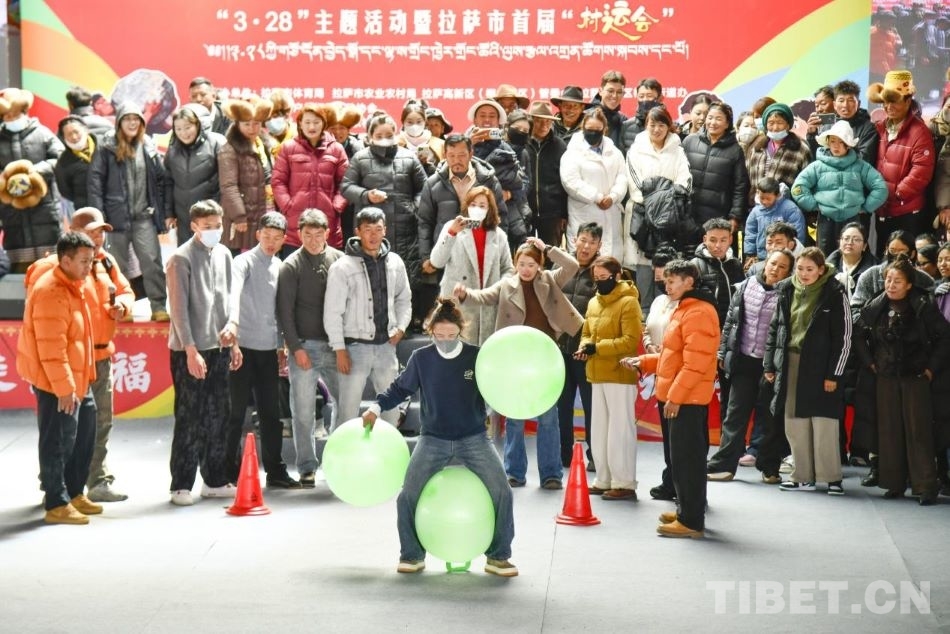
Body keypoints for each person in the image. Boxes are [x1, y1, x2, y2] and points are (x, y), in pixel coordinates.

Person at [362, 298, 517, 577]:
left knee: (502, 492)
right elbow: (400, 389)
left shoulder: (476, 356)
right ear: (431, 331)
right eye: (439, 335)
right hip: (433, 439)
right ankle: (411, 555)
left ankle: (498, 557)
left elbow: (498, 385)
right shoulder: (421, 358)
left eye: (451, 335)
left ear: (461, 331)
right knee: (407, 495)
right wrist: (376, 407)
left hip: (473, 438)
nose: (445, 341)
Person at [454, 237, 583, 489]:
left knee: (548, 417)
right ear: (516, 264)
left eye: (531, 264)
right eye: (522, 264)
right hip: (513, 359)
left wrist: (547, 248)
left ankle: (551, 474)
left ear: (539, 265)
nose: (526, 269)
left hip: (544, 358)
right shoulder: (506, 285)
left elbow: (572, 265)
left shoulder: (549, 280)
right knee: (514, 416)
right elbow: (484, 297)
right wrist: (465, 294)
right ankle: (514, 472)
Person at [26, 208, 135, 502]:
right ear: (73, 235)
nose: (98, 238)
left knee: (97, 424)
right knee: (62, 429)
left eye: (101, 233)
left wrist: (122, 306)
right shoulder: (56, 270)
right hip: (67, 363)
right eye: (92, 232)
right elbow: (47, 330)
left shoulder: (105, 262)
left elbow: (126, 291)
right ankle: (56, 488)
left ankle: (94, 481)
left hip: (99, 358)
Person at [623, 259, 719, 538]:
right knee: (680, 460)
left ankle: (691, 521)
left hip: (686, 401)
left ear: (689, 281)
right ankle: (687, 511)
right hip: (680, 397)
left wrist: (675, 398)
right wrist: (644, 361)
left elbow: (695, 365)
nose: (667, 286)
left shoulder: (698, 312)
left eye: (672, 281)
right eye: (665, 281)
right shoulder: (684, 309)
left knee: (687, 461)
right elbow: (672, 356)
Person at [17, 232, 100, 524]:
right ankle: (56, 502)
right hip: (56, 381)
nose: (90, 267)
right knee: (57, 441)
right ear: (65, 260)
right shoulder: (51, 291)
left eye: (92, 260)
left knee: (85, 432)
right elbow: (51, 349)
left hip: (79, 377)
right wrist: (64, 389)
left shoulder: (75, 283)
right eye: (84, 261)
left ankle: (75, 492)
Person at [853, 256, 949, 505]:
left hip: (916, 376)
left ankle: (925, 486)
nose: (891, 285)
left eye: (897, 281)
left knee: (919, 432)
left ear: (909, 284)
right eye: (888, 279)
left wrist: (931, 369)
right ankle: (893, 483)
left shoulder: (923, 305)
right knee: (889, 431)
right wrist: (869, 362)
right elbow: (857, 334)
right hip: (885, 376)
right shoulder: (876, 304)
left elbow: (944, 338)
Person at [165, 200, 242, 506]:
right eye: (207, 226)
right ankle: (181, 484)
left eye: (218, 226)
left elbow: (229, 299)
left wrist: (233, 338)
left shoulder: (224, 254)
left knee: (219, 415)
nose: (214, 231)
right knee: (190, 417)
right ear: (194, 226)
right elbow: (179, 311)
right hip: (190, 350)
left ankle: (215, 479)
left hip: (219, 346)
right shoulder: (180, 259)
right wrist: (190, 350)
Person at [220, 212, 299, 488]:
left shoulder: (280, 266)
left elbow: (280, 311)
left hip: (268, 350)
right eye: (266, 236)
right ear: (257, 235)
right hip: (241, 349)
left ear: (284, 240)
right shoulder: (242, 262)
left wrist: (280, 345)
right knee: (235, 413)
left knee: (271, 414)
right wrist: (233, 338)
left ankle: (275, 471)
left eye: (277, 238)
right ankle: (227, 472)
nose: (271, 242)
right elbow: (232, 297)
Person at [764, 248, 851, 495]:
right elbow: (775, 329)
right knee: (793, 420)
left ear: (821, 270)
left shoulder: (835, 292)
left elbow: (844, 338)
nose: (803, 274)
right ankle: (801, 475)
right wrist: (769, 364)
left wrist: (834, 374)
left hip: (822, 365)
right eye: (800, 268)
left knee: (824, 421)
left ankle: (831, 477)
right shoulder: (786, 289)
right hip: (790, 361)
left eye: (810, 269)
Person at [707, 249, 794, 483]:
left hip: (772, 366)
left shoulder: (789, 293)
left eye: (782, 267)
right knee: (735, 415)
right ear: (765, 264)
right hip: (744, 360)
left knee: (769, 418)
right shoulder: (746, 286)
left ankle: (769, 467)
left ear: (789, 272)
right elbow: (731, 321)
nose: (775, 269)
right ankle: (724, 465)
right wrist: (723, 352)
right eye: (773, 263)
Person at [324, 207, 412, 426]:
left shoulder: (395, 262)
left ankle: (391, 449)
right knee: (347, 412)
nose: (373, 235)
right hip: (354, 348)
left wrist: (401, 327)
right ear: (358, 231)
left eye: (378, 229)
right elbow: (332, 312)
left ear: (385, 231)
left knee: (391, 411)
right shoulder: (342, 266)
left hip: (386, 347)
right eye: (367, 229)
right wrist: (339, 349)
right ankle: (342, 450)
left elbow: (404, 299)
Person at [342, 113, 428, 330]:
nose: (384, 139)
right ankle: (371, 326)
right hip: (371, 230)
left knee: (403, 279)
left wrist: (414, 208)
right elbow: (346, 187)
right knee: (370, 279)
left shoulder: (409, 157)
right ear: (370, 136)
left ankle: (404, 326)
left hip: (405, 230)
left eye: (389, 135)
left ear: (396, 134)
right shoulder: (360, 158)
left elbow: (423, 188)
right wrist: (366, 195)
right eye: (379, 135)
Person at [276, 209, 343, 488]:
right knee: (303, 411)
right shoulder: (290, 265)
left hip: (336, 346)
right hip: (304, 346)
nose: (313, 240)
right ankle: (306, 467)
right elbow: (284, 312)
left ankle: (338, 463)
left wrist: (343, 346)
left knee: (345, 405)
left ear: (327, 233)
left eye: (318, 234)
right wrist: (295, 348)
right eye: (307, 235)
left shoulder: (339, 260)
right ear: (299, 234)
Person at [87, 102, 167, 320]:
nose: (132, 123)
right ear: (119, 123)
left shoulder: (148, 145)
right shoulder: (106, 146)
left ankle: (159, 307)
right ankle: (122, 308)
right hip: (115, 219)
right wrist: (99, 218)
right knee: (116, 267)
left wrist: (160, 212)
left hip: (144, 218)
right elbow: (95, 183)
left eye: (136, 119)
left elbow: (160, 180)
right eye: (127, 119)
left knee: (152, 263)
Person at [577, 256, 642, 499]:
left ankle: (624, 483)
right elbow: (586, 332)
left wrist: (597, 348)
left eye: (604, 277)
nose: (599, 282)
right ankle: (603, 479)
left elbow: (630, 341)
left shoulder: (629, 302)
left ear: (617, 276)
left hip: (620, 374)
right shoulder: (593, 302)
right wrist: (585, 347)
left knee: (620, 430)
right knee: (600, 431)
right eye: (596, 278)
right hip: (596, 373)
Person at [624, 105, 692, 309]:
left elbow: (684, 181)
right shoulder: (636, 150)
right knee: (644, 265)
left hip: (670, 218)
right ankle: (645, 313)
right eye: (652, 124)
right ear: (646, 125)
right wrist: (659, 198)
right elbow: (636, 184)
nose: (656, 129)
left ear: (669, 126)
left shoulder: (678, 151)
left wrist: (664, 201)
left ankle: (666, 312)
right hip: (643, 215)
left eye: (662, 125)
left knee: (667, 265)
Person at [416, 133, 512, 277]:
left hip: (481, 251)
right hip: (445, 253)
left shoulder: (488, 181)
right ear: (445, 155)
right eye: (451, 155)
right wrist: (425, 257)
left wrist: (497, 249)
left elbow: (501, 217)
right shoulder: (432, 184)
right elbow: (425, 222)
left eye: (461, 155)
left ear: (471, 154)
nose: (456, 160)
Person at [429, 186, 513, 345]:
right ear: (466, 206)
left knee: (484, 351)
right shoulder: (451, 227)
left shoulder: (499, 235)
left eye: (482, 205)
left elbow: (508, 269)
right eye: (473, 204)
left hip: (487, 305)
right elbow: (436, 261)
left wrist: (496, 290)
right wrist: (451, 234)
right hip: (456, 304)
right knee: (455, 351)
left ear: (489, 209)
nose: (477, 209)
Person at [791, 120, 888, 256]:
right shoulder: (817, 166)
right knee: (825, 258)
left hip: (853, 219)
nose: (836, 146)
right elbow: (798, 188)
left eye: (841, 142)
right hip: (826, 220)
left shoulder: (861, 166)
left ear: (848, 145)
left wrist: (866, 207)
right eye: (832, 141)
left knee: (852, 255)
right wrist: (814, 205)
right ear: (827, 142)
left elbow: (880, 188)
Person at [867, 70, 936, 257]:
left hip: (907, 211)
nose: (888, 107)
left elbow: (921, 172)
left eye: (894, 101)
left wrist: (896, 193)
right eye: (885, 102)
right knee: (884, 258)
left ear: (908, 101)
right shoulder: (879, 127)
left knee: (904, 260)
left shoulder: (920, 132)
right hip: (883, 209)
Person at [0, 88, 65, 273]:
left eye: (15, 114)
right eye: (7, 116)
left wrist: (36, 172)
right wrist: (5, 179)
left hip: (45, 209)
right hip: (12, 214)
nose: (11, 119)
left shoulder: (41, 133)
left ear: (24, 111)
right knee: (20, 271)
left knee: (51, 268)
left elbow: (60, 158)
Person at [272, 103, 349, 253]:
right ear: (300, 123)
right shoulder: (288, 148)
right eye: (307, 122)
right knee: (294, 266)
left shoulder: (336, 149)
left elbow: (345, 182)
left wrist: (336, 207)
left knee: (328, 267)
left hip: (327, 224)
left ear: (324, 124)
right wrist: (288, 205)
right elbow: (278, 181)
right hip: (295, 225)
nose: (311, 127)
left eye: (316, 122)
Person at [557, 223, 602, 469]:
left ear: (599, 246)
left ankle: (595, 456)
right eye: (583, 240)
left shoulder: (602, 271)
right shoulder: (561, 266)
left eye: (592, 243)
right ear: (575, 239)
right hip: (559, 351)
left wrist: (590, 345)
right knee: (561, 407)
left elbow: (604, 316)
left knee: (592, 407)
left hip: (586, 353)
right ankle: (563, 454)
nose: (586, 247)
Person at [560, 108, 627, 259]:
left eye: (598, 129)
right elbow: (571, 182)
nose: (593, 133)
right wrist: (597, 197)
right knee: (584, 259)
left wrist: (613, 196)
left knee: (610, 262)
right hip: (584, 212)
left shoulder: (615, 152)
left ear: (604, 129)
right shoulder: (572, 153)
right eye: (590, 129)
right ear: (583, 128)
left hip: (611, 213)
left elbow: (622, 177)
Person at [681, 102, 749, 250]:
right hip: (688, 215)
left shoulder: (735, 150)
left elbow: (740, 186)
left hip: (717, 217)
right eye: (710, 117)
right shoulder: (689, 141)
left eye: (718, 119)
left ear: (727, 124)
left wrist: (734, 217)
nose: (713, 122)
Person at [218, 95, 276, 254]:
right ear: (237, 124)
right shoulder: (229, 149)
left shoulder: (263, 144)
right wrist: (239, 216)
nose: (252, 128)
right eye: (246, 124)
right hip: (242, 216)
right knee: (240, 259)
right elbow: (228, 186)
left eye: (256, 123)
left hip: (264, 209)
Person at [163, 104, 225, 245]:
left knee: (212, 253)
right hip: (184, 218)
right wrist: (169, 214)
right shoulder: (172, 150)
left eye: (187, 127)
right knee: (186, 254)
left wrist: (219, 209)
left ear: (198, 125)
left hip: (211, 216)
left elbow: (225, 181)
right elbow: (168, 183)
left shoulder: (216, 143)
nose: (183, 133)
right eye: (178, 129)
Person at [744, 102, 811, 209]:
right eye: (771, 123)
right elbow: (746, 179)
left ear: (788, 125)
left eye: (780, 123)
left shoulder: (801, 148)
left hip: (786, 209)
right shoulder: (756, 147)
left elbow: (808, 182)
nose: (775, 127)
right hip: (757, 208)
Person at [523, 101, 569, 247]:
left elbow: (565, 182)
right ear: (531, 121)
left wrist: (564, 214)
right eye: (539, 121)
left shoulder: (560, 146)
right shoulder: (521, 143)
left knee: (551, 253)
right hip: (525, 211)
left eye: (548, 121)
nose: (544, 125)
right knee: (525, 253)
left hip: (552, 214)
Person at [805, 80, 879, 165]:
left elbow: (864, 160)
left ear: (858, 104)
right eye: (841, 100)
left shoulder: (868, 128)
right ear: (835, 105)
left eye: (850, 100)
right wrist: (812, 134)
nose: (845, 105)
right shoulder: (828, 125)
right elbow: (817, 156)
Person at [744, 177, 806, 267]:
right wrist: (750, 253)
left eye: (768, 198)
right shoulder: (756, 211)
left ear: (777, 195)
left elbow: (798, 233)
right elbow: (750, 233)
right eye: (762, 198)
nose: (764, 201)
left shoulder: (790, 209)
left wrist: (793, 252)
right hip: (762, 256)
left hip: (785, 256)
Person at [55, 116, 95, 208]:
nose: (74, 137)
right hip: (85, 208)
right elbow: (66, 191)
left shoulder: (103, 148)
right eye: (69, 134)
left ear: (86, 130)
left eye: (76, 132)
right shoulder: (63, 163)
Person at [396, 101, 444, 176]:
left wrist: (428, 166)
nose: (414, 126)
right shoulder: (395, 143)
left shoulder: (440, 144)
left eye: (419, 122)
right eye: (410, 122)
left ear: (425, 122)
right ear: (403, 122)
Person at [618, 77, 664, 154]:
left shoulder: (667, 125)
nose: (645, 100)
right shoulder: (627, 126)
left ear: (659, 98)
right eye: (641, 96)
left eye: (649, 96)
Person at [588, 70, 628, 149]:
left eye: (619, 92)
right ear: (600, 91)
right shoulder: (586, 116)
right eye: (610, 91)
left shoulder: (623, 120)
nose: (614, 96)